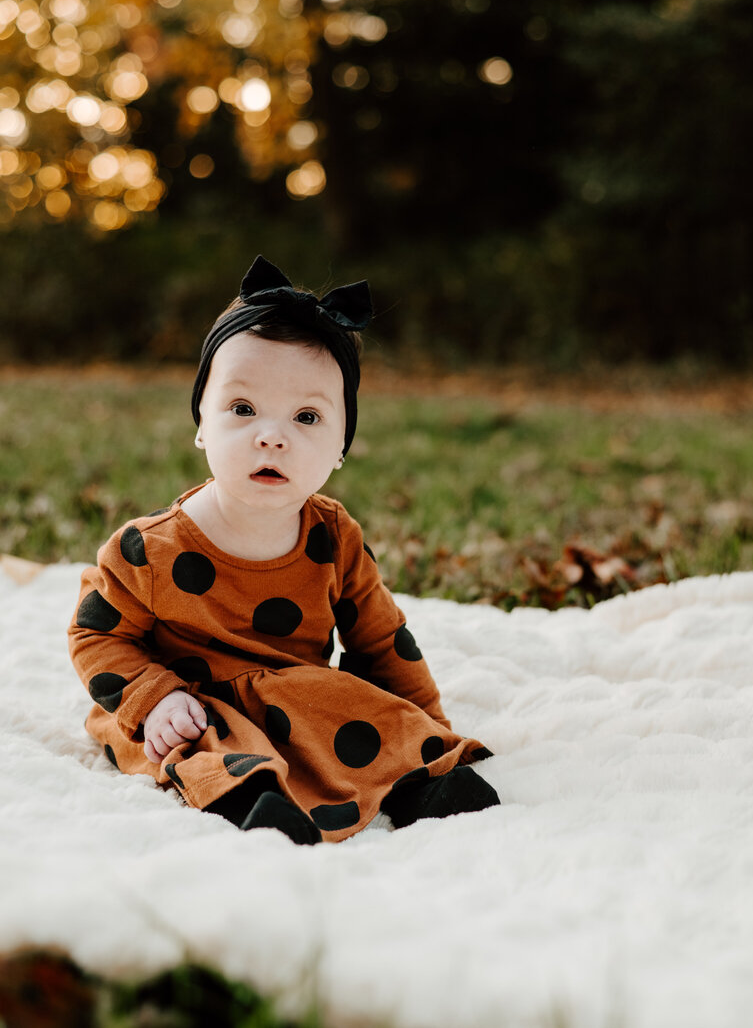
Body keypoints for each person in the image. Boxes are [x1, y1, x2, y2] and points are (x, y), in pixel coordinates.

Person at [68, 257, 499, 845]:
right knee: (207, 741)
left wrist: (427, 728)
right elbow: (96, 635)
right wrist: (154, 696)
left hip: (295, 694)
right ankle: (247, 797)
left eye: (307, 416)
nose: (271, 435)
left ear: (340, 446)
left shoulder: (333, 536)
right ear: (201, 422)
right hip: (190, 701)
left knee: (352, 706)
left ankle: (419, 782)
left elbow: (380, 638)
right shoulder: (148, 550)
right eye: (242, 410)